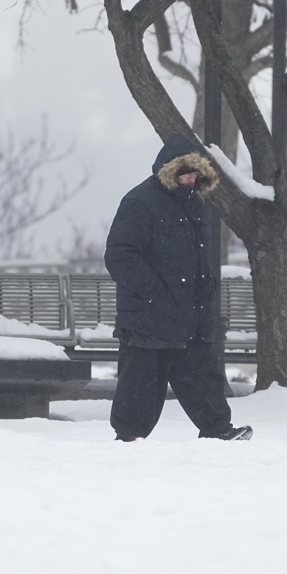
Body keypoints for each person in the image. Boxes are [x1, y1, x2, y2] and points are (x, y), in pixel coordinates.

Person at [104, 134, 253, 441]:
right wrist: (154, 293)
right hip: (148, 316)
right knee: (142, 380)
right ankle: (129, 438)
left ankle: (218, 430)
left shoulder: (194, 204)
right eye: (184, 172)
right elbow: (120, 256)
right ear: (167, 170)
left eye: (195, 173)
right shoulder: (140, 202)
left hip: (189, 314)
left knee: (202, 375)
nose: (190, 178)